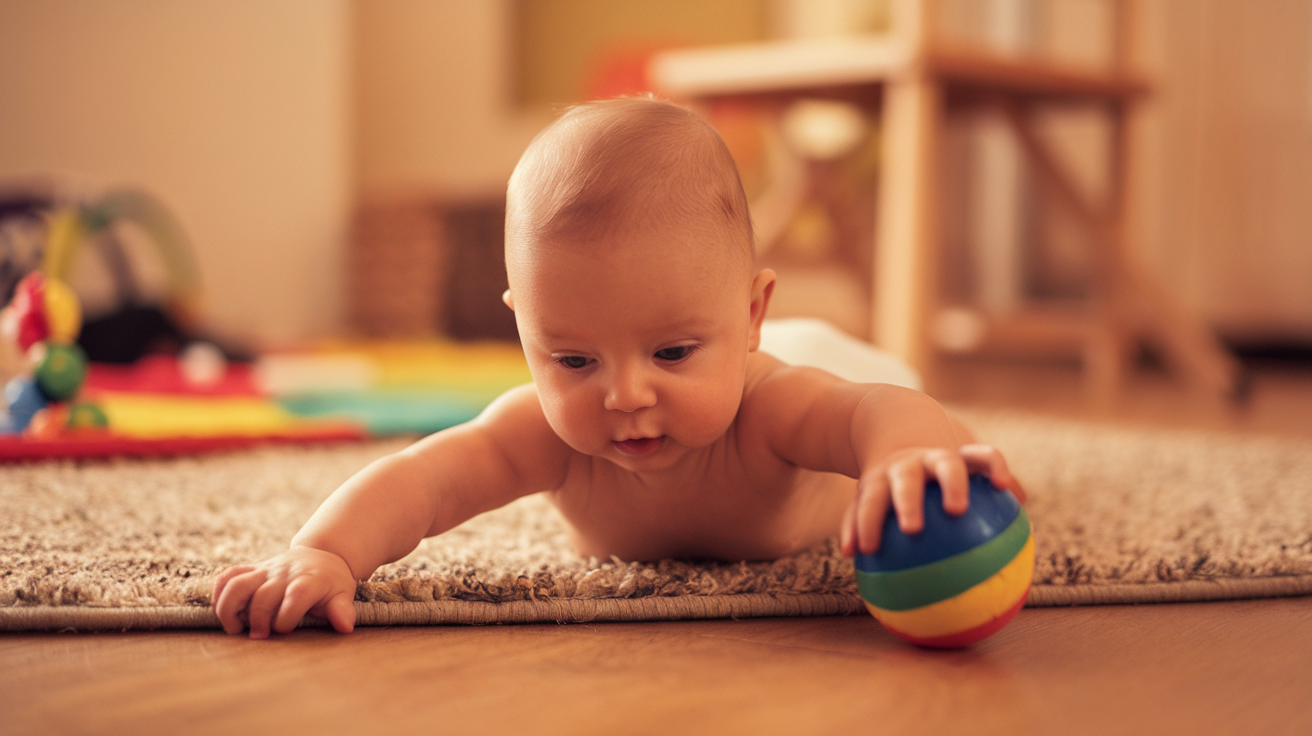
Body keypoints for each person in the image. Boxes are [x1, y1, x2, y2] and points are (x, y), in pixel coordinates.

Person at [212, 97, 1024, 639]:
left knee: (938, 437)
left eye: (671, 352)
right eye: (571, 359)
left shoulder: (770, 407)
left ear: (748, 319)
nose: (624, 394)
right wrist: (324, 552)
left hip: (829, 358)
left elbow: (868, 412)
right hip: (757, 355)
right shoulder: (542, 431)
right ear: (524, 334)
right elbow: (424, 479)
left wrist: (910, 455)